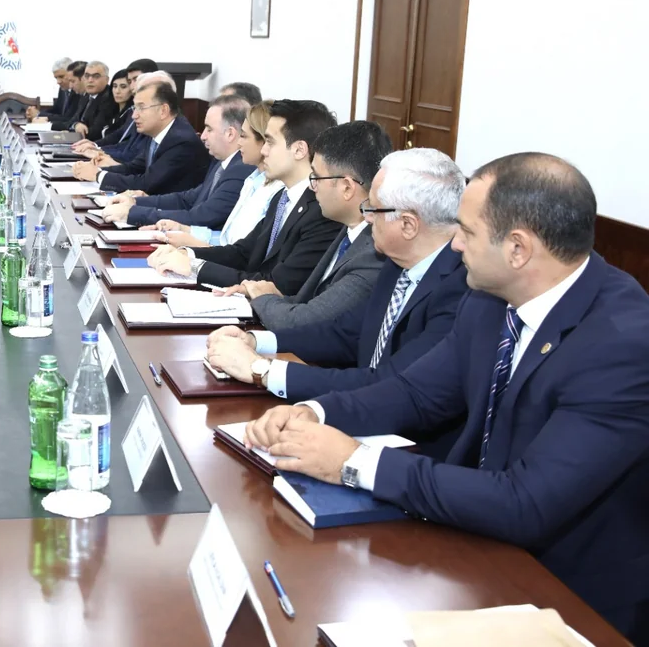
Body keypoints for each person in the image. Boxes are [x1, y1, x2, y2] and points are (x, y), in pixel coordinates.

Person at [243, 153, 649, 643]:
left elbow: (525, 502)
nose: (454, 245)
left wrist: (352, 462)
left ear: (517, 248)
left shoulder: (622, 343)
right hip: (470, 538)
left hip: (568, 593)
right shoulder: (489, 299)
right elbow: (415, 393)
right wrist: (314, 413)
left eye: (467, 232)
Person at [206, 148, 467, 404]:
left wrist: (262, 370)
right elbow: (345, 334)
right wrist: (256, 341)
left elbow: (391, 384)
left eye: (373, 209)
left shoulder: (458, 291)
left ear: (408, 225)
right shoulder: (397, 263)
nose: (366, 218)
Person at [148, 99, 341, 295]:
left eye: (270, 142)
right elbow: (243, 253)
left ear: (299, 150)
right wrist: (187, 253)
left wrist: (195, 267)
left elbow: (277, 285)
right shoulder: (283, 198)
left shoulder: (322, 211)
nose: (264, 151)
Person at [227, 120, 391, 330]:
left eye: (317, 177)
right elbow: (308, 303)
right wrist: (266, 295)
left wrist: (262, 298)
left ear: (347, 188)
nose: (312, 187)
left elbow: (307, 321)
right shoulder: (347, 230)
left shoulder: (372, 253)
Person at [100, 94, 253, 230]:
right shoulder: (222, 162)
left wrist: (133, 213)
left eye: (209, 129)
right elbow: (188, 199)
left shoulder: (240, 169)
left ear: (230, 134)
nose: (203, 136)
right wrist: (135, 202)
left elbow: (201, 217)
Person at [149, 99, 284, 248]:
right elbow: (228, 238)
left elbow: (243, 252)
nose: (239, 143)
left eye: (244, 136)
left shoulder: (270, 188)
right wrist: (184, 229)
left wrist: (196, 248)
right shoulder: (252, 180)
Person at [71, 78, 208, 195]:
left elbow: (146, 183)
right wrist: (95, 170)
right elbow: (133, 168)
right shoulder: (157, 132)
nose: (134, 115)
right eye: (135, 108)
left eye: (141, 108)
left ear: (163, 110)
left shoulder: (180, 141)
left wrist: (98, 176)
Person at [74, 70, 172, 164]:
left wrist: (99, 152)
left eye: (134, 80)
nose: (133, 85)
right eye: (115, 86)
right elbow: (127, 151)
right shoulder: (116, 109)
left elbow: (131, 157)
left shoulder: (173, 139)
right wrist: (96, 148)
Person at [52, 61, 117, 137]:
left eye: (96, 76)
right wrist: (75, 125)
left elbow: (96, 132)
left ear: (107, 80)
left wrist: (71, 132)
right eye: (87, 76)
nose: (90, 80)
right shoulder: (86, 96)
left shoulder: (109, 98)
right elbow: (73, 121)